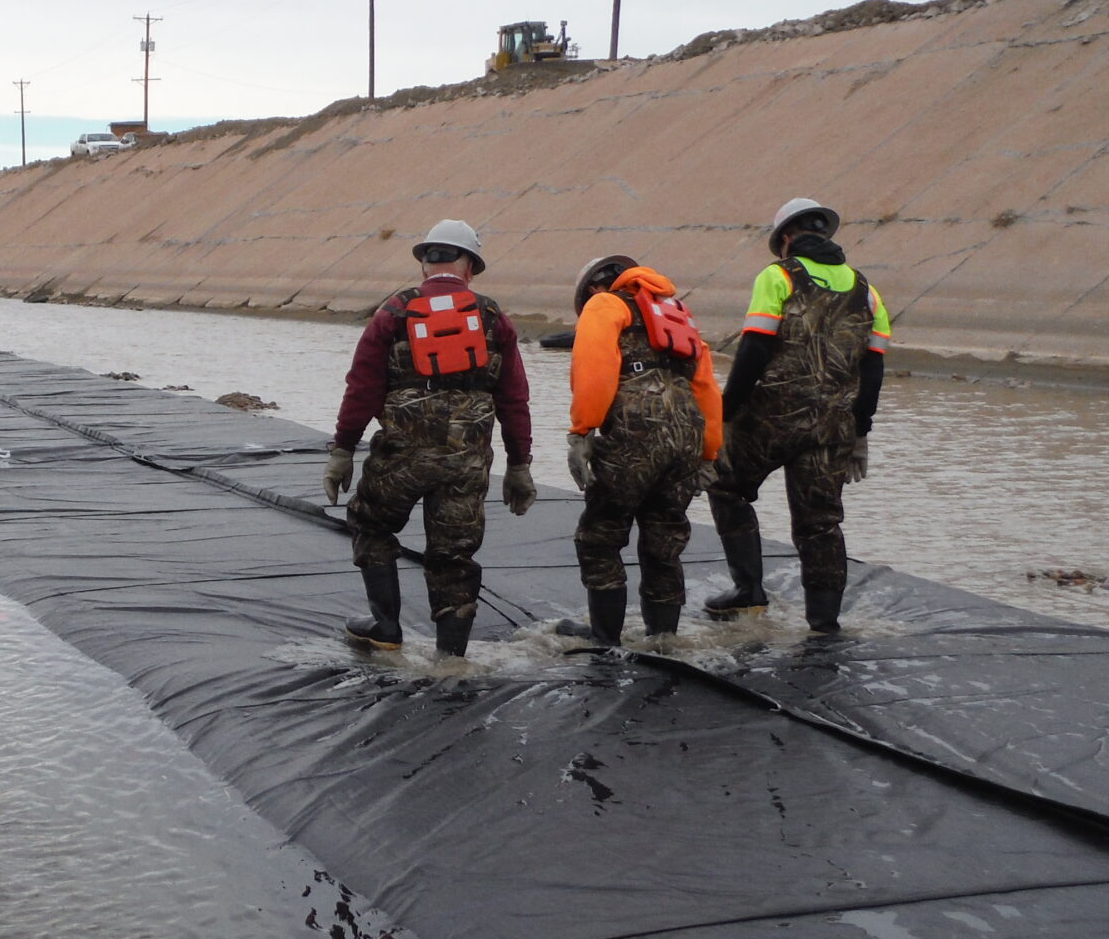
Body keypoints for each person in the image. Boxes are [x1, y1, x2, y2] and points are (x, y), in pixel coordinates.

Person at [323, 219, 535, 658]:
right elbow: (515, 397)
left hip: (402, 453)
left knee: (371, 524)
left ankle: (384, 626)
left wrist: (342, 450)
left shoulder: (395, 310)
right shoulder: (494, 316)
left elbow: (362, 386)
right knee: (454, 551)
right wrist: (520, 464)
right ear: (471, 267)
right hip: (468, 457)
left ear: (424, 264)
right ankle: (451, 657)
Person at [704, 198, 893, 634]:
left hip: (771, 417)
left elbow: (754, 347)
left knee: (727, 487)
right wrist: (860, 430)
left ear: (786, 239)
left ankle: (748, 593)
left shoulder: (777, 276)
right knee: (820, 522)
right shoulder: (866, 290)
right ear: (825, 234)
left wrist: (726, 411)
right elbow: (873, 367)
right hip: (833, 426)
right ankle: (824, 622)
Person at [557, 256, 722, 646]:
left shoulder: (605, 304)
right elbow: (707, 387)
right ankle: (664, 638)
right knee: (664, 537)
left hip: (636, 431)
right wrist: (710, 453)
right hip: (687, 434)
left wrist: (583, 430)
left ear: (595, 289)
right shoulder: (677, 314)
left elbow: (594, 366)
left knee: (601, 534)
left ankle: (604, 636)